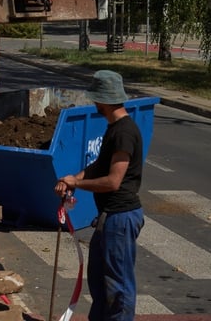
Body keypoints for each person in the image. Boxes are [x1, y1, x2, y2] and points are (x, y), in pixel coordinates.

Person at [54, 70, 144, 321]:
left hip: (121, 216)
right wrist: (74, 179)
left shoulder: (124, 133)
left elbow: (113, 181)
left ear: (102, 100)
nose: (94, 104)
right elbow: (98, 166)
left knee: (118, 287)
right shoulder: (114, 128)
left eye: (95, 99)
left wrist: (78, 184)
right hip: (109, 217)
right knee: (99, 281)